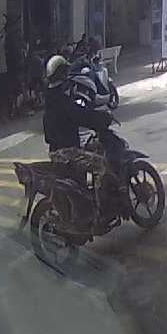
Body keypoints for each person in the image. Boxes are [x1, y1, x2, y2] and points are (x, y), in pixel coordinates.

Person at [42, 55, 120, 214]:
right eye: (65, 71)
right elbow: (81, 116)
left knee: (91, 149)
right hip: (67, 152)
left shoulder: (50, 96)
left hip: (56, 150)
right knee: (102, 165)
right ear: (61, 73)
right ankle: (99, 209)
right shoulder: (61, 98)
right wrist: (101, 119)